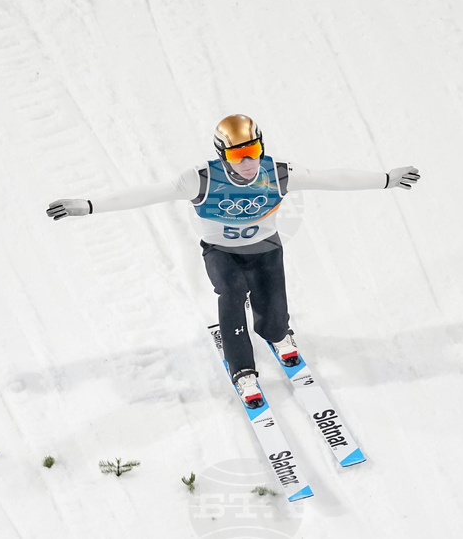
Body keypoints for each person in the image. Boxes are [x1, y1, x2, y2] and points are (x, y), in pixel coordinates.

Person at [47, 114, 419, 409]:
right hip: (221, 253)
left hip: (265, 248)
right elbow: (147, 194)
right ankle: (243, 370)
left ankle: (277, 334)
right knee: (232, 291)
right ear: (223, 154)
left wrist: (386, 179)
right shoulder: (200, 180)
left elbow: (333, 179)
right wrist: (90, 205)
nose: (248, 162)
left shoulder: (278, 173)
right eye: (239, 155)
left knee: (274, 313)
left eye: (253, 151)